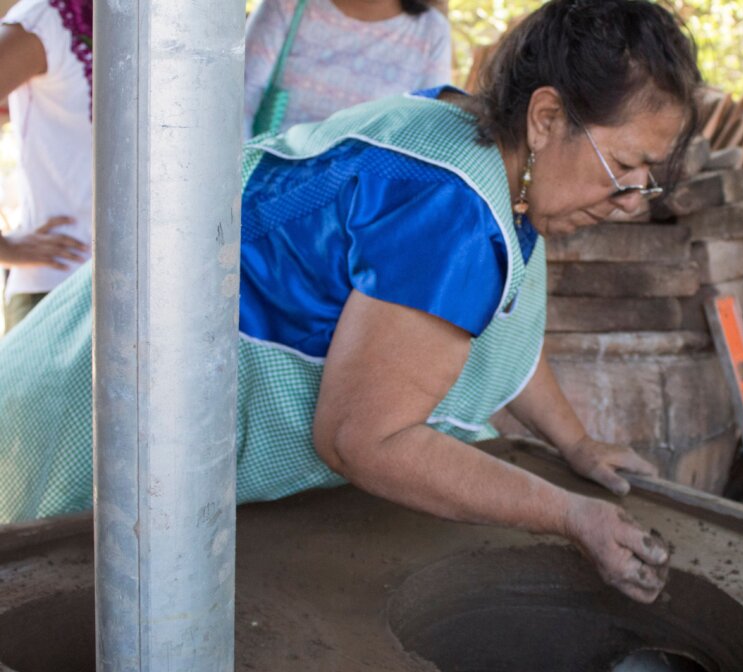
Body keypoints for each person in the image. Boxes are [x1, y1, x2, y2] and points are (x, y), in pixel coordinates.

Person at [0, 0, 702, 604]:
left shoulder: (472, 141)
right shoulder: (451, 207)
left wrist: (576, 443)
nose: (633, 201)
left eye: (648, 179)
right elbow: (366, 439)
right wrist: (570, 514)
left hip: (103, 342)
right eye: (626, 167)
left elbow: (502, 332)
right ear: (547, 117)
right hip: (105, 400)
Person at [0, 0, 91, 332]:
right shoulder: (43, 21)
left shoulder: (162, 19)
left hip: (152, 290)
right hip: (54, 289)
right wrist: (6, 249)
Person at [244, 0, 451, 136]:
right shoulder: (287, 5)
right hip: (266, 182)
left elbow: (426, 128)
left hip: (362, 197)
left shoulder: (432, 31)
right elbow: (240, 101)